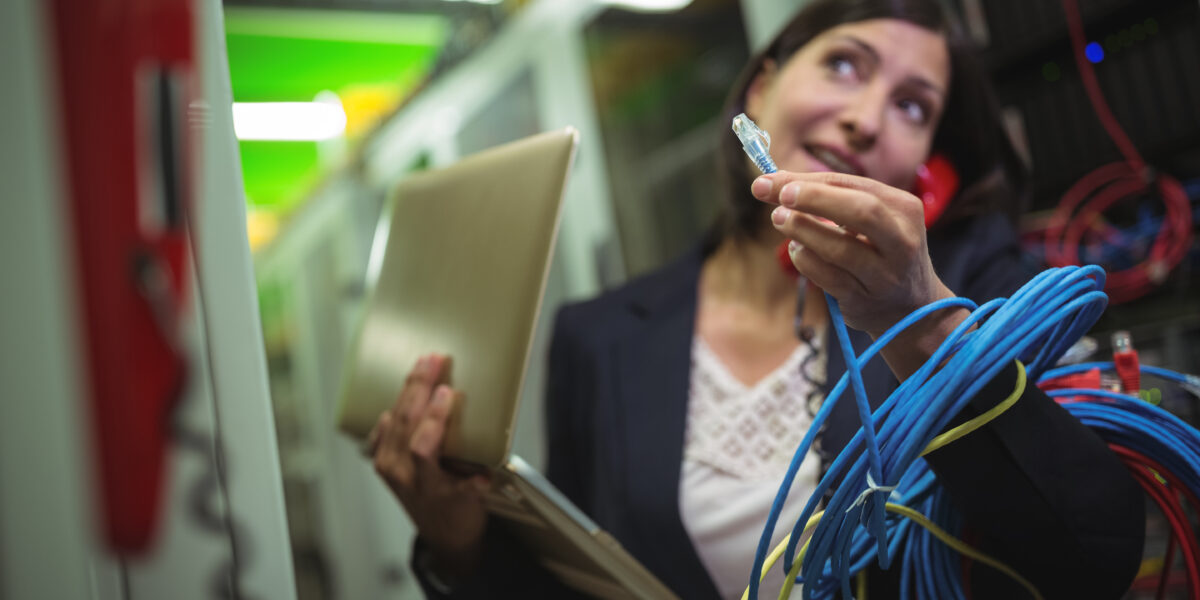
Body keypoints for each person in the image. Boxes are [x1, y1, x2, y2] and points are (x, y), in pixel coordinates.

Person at [367, 0, 1146, 597]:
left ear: (926, 171)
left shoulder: (981, 296)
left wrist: (919, 324)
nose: (866, 118)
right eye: (845, 65)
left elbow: (1093, 558)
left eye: (913, 107)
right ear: (764, 86)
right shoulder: (598, 338)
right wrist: (459, 543)